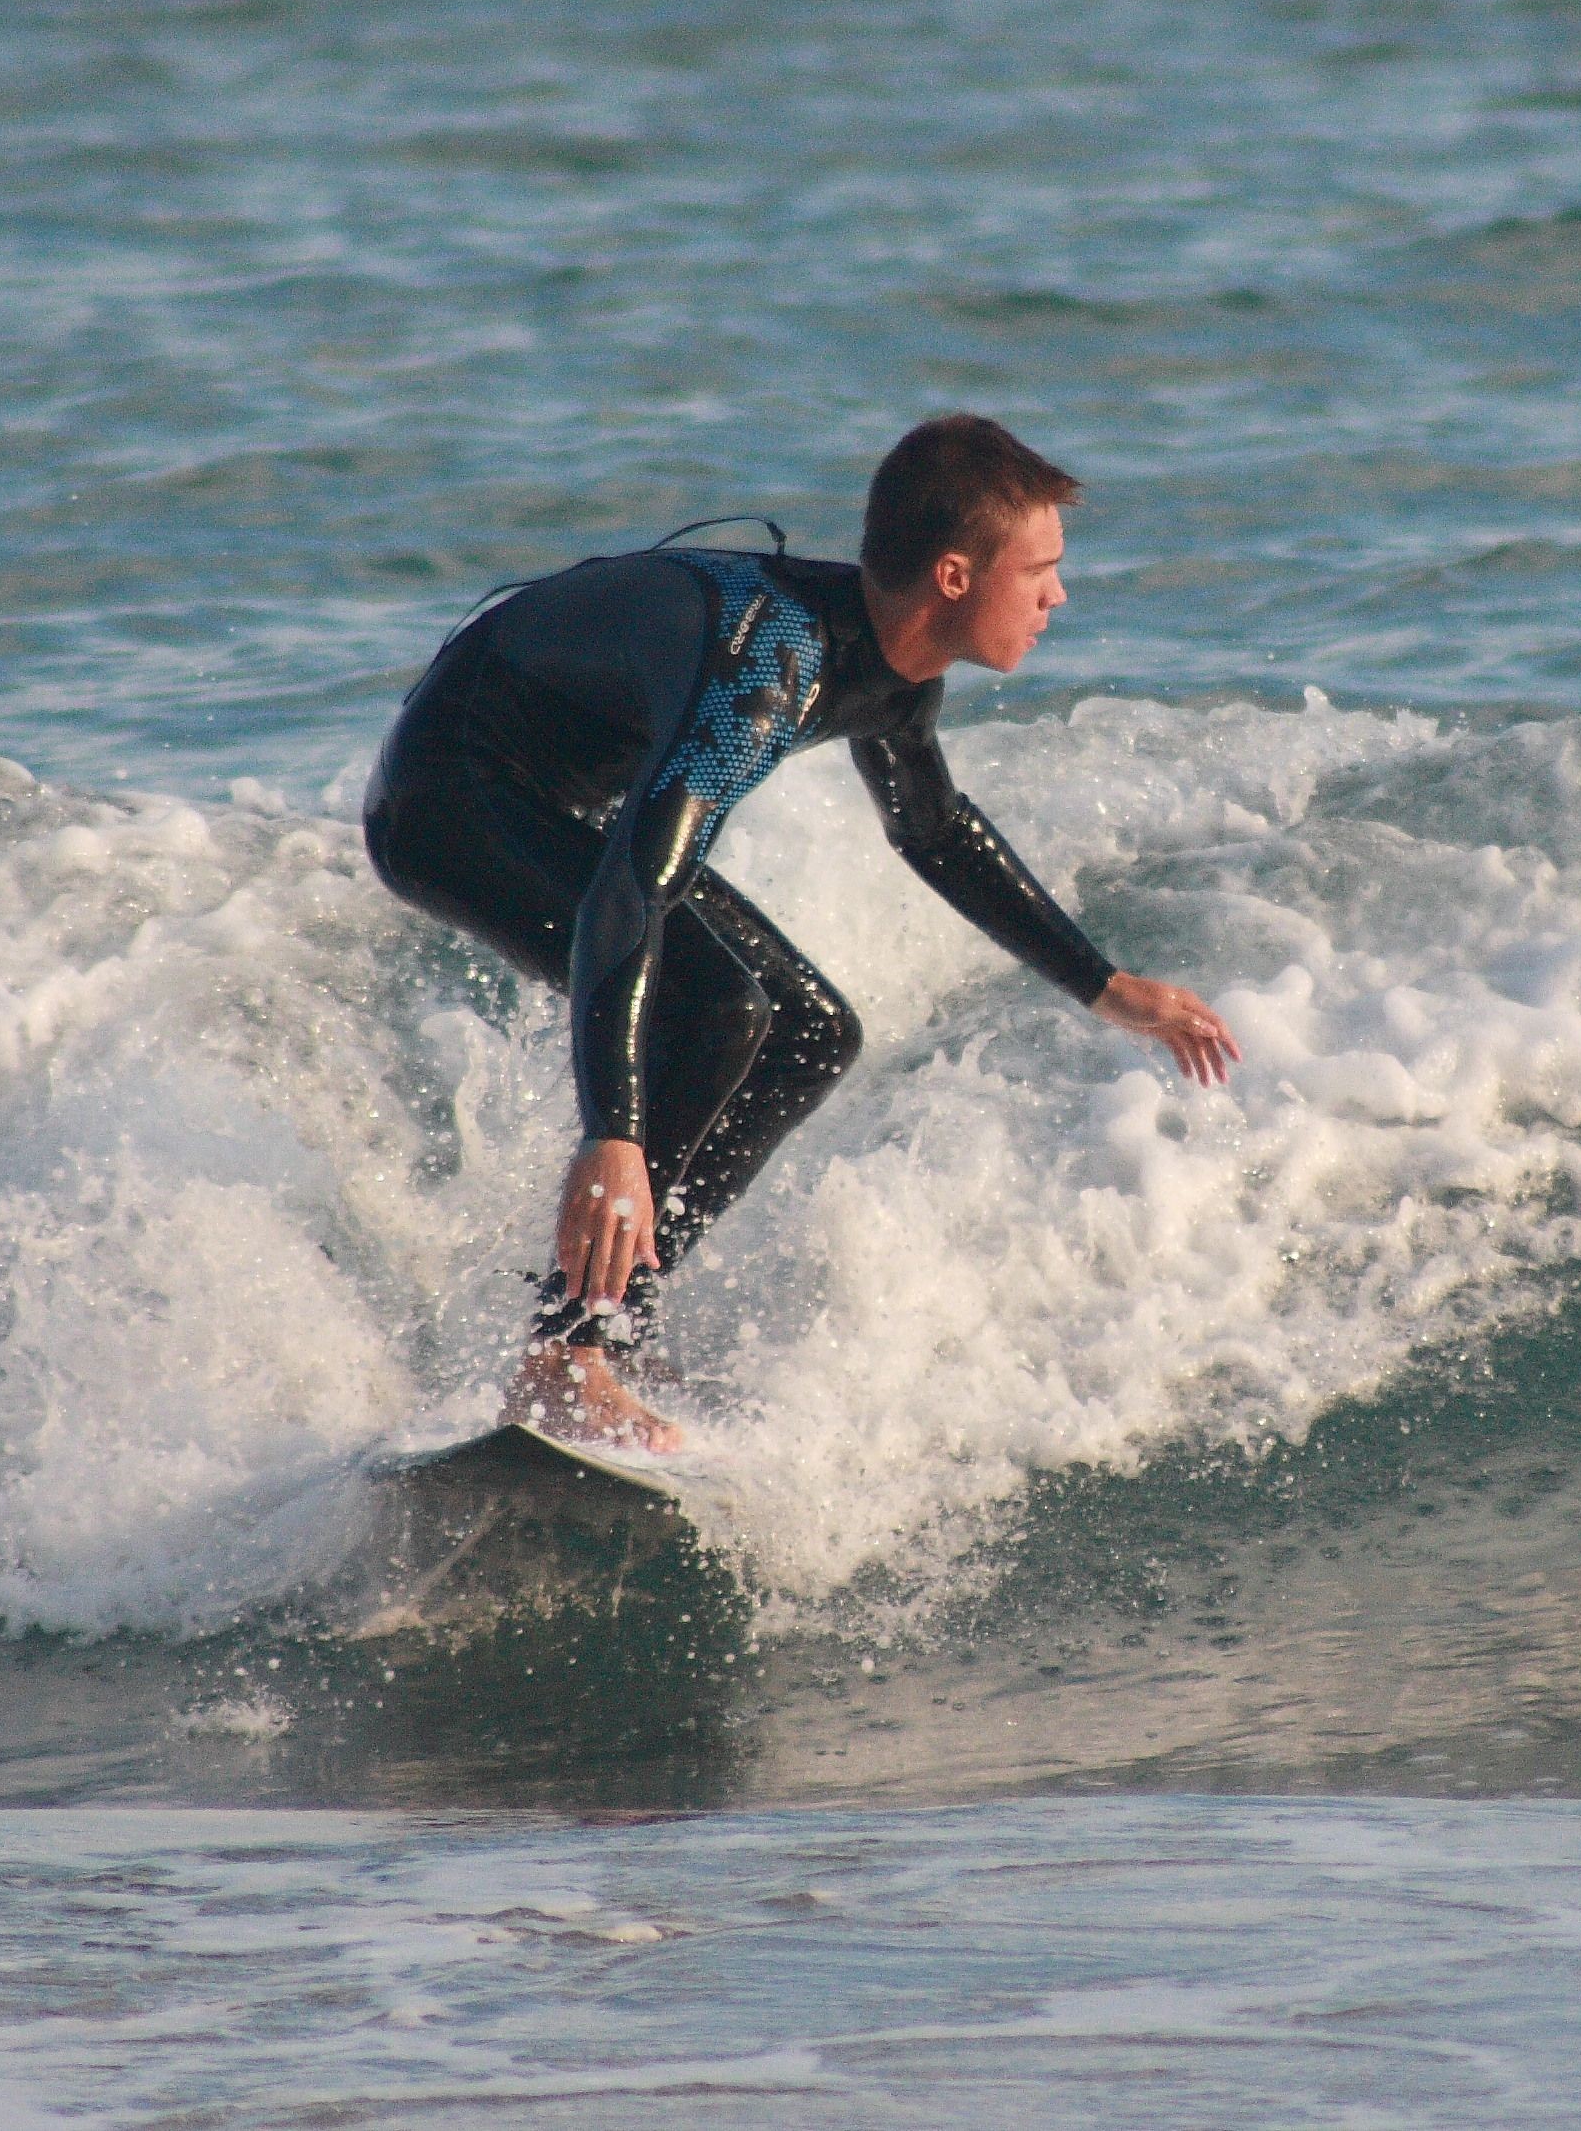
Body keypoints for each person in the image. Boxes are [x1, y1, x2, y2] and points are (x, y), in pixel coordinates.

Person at [362, 415, 1240, 1449]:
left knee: (813, 1030)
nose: (1058, 595)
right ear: (953, 577)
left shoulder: (893, 660)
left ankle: (607, 1331)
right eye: (1039, 569)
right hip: (449, 789)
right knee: (722, 1002)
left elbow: (932, 828)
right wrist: (613, 1133)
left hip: (559, 799)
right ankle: (565, 1354)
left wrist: (1104, 985)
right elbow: (626, 899)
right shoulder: (763, 672)